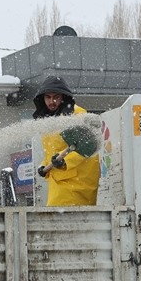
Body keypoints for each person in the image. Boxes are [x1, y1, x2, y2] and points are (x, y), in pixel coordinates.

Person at [32, 75, 100, 206]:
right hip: (58, 184)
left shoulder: (77, 115)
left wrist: (65, 162)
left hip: (77, 186)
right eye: (48, 97)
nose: (52, 102)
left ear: (63, 97)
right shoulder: (48, 121)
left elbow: (89, 146)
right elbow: (52, 151)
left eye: (56, 97)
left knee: (60, 222)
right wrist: (44, 167)